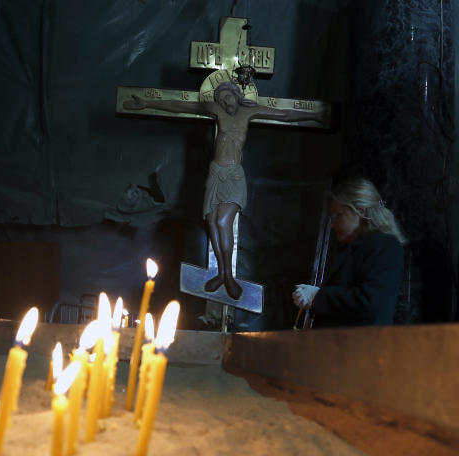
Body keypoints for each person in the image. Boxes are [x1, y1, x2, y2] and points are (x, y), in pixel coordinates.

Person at [125, 81, 326, 299]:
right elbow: (180, 106)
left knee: (222, 221)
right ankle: (221, 274)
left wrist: (314, 116)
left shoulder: (249, 110)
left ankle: (228, 276)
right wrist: (146, 103)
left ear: (236, 94)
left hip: (233, 175)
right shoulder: (215, 109)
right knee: (211, 223)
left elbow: (284, 114)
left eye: (227, 97)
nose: (224, 102)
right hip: (215, 173)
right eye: (220, 99)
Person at [292, 177, 407, 327]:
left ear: (360, 211)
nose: (332, 224)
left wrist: (317, 297)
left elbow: (369, 301)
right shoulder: (352, 248)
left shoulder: (386, 246)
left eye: (337, 215)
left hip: (361, 346)